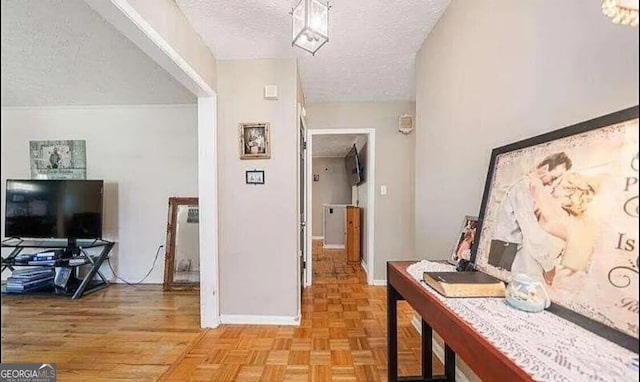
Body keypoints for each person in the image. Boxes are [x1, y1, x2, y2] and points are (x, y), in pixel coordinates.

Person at [488, 152, 573, 281]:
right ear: (544, 169)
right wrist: (549, 266)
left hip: (506, 248)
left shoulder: (529, 187)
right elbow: (531, 230)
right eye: (554, 178)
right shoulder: (523, 187)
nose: (552, 184)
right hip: (506, 250)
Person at [529, 171, 599, 284]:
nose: (554, 185)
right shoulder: (571, 219)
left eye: (559, 183)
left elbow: (535, 186)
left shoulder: (557, 213)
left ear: (569, 190)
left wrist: (535, 173)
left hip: (535, 276)